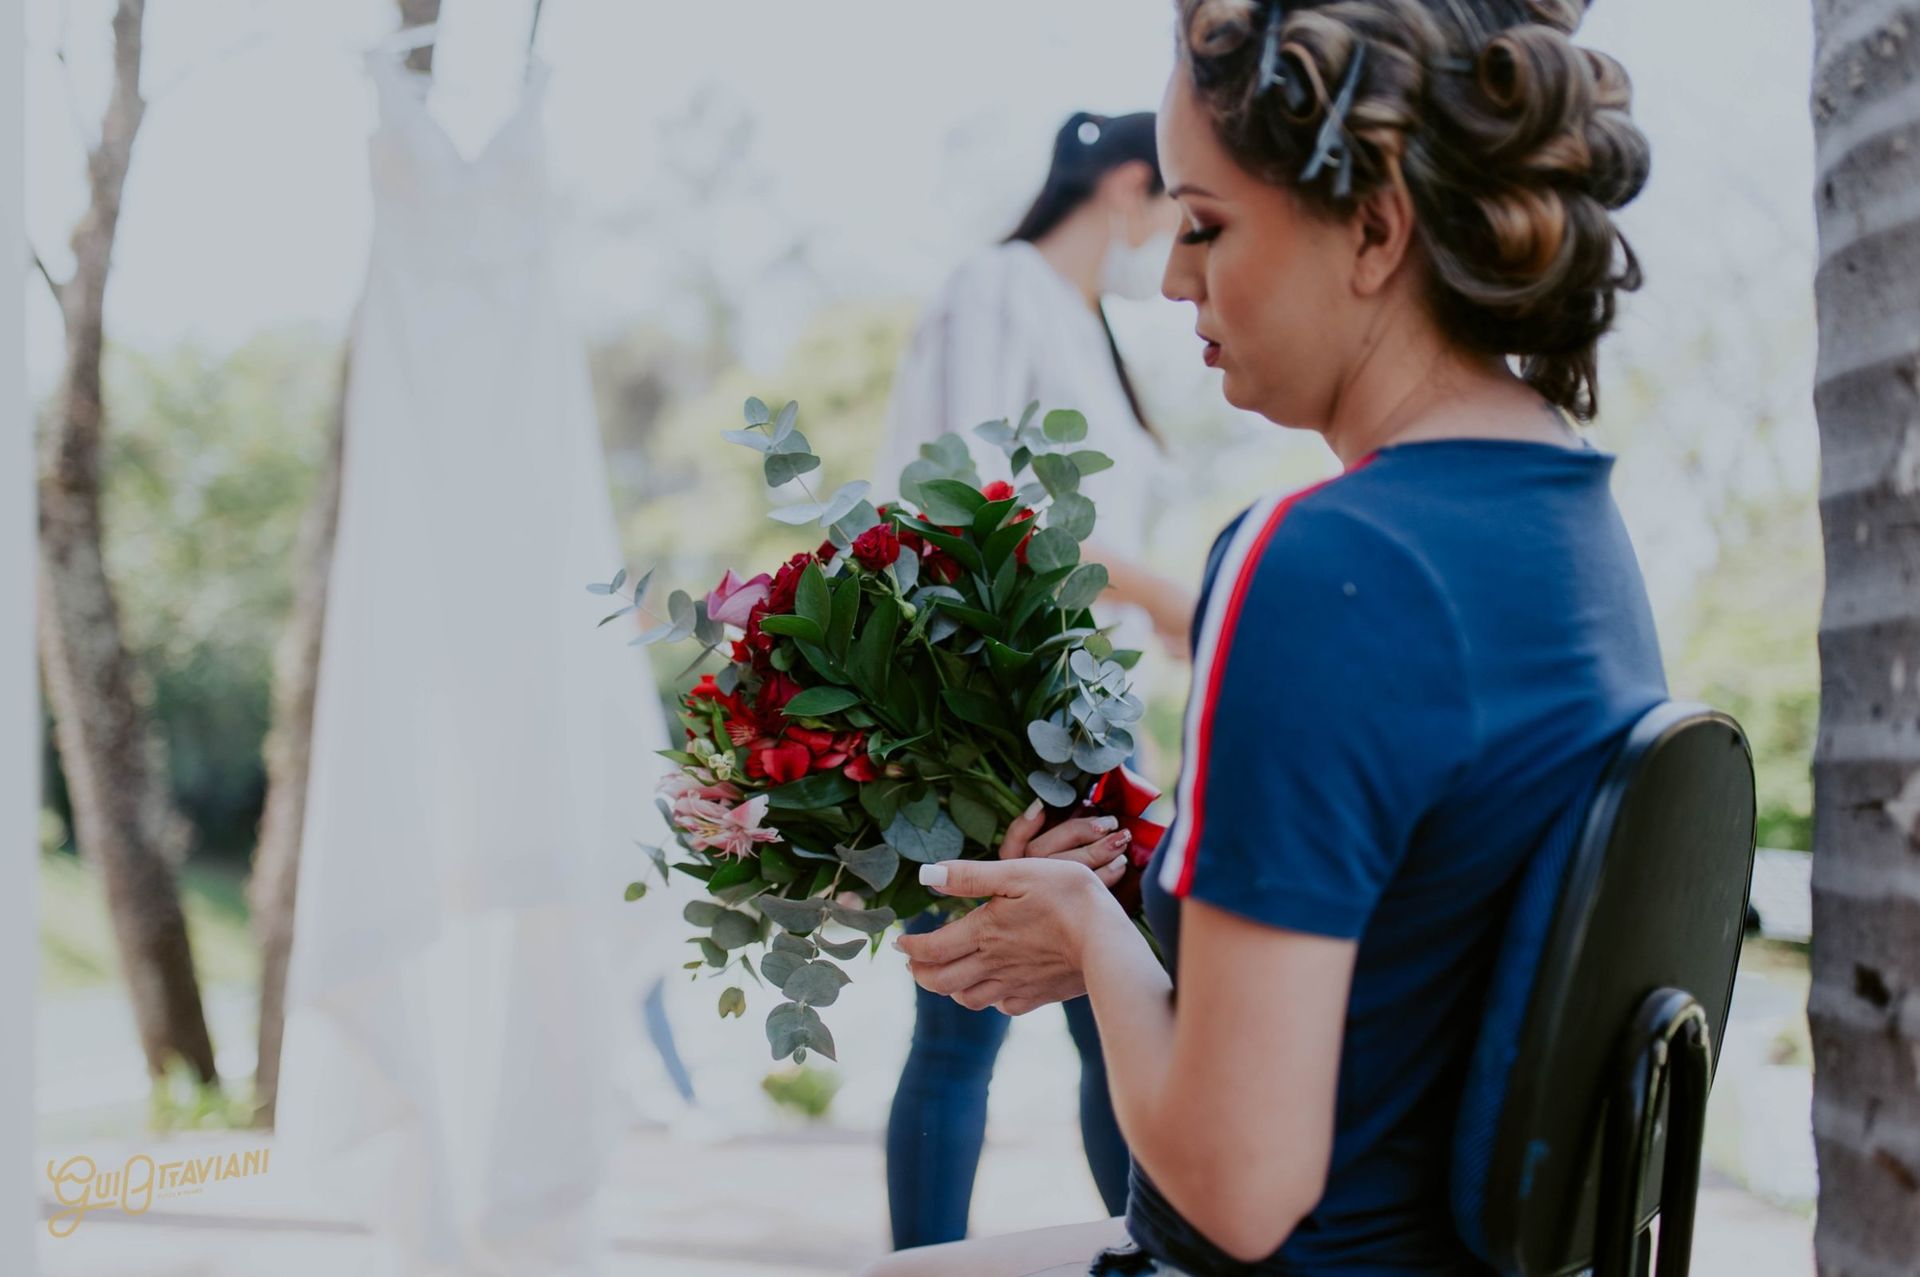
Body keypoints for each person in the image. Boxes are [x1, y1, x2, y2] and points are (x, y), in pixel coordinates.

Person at [868, 0, 1663, 1273]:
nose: (1174, 277)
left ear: (1376, 228)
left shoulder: (1319, 561)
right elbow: (1430, 931)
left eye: (1207, 223)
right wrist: (1127, 900)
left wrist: (1092, 930)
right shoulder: (1577, 516)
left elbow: (1236, 1183)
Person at [876, 110, 1199, 1249]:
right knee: (964, 1022)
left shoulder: (1085, 324)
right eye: (1176, 207)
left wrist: (1143, 613)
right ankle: (926, 1267)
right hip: (996, 698)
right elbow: (970, 496)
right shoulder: (1001, 286)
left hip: (1095, 706)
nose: (1176, 245)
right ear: (1127, 184)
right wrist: (1166, 595)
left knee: (1120, 1006)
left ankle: (1142, 1250)